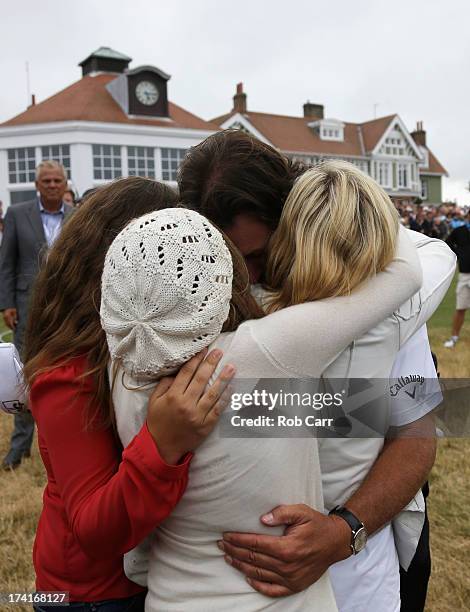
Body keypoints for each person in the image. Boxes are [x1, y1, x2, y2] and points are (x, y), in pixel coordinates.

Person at [113, 165, 453, 611]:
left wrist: (343, 530)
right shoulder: (203, 336)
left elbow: (415, 435)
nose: (242, 277)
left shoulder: (394, 317)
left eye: (255, 256)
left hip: (357, 578)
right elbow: (427, 259)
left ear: (286, 232)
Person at [23, 177, 241, 612]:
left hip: (160, 579)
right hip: (88, 595)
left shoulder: (188, 348)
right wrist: (162, 445)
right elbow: (94, 529)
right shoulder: (67, 376)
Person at [0, 160, 74, 470]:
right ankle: (20, 448)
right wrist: (7, 304)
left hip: (66, 307)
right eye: (47, 181)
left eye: (58, 180)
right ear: (37, 185)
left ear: (65, 183)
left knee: (64, 371)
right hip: (27, 305)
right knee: (25, 373)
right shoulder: (18, 215)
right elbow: (6, 262)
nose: (53, 185)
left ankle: (63, 446)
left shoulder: (76, 216)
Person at [444, 210, 470, 348]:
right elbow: (447, 243)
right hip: (465, 274)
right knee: (460, 308)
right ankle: (453, 338)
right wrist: (459, 253)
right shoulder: (459, 231)